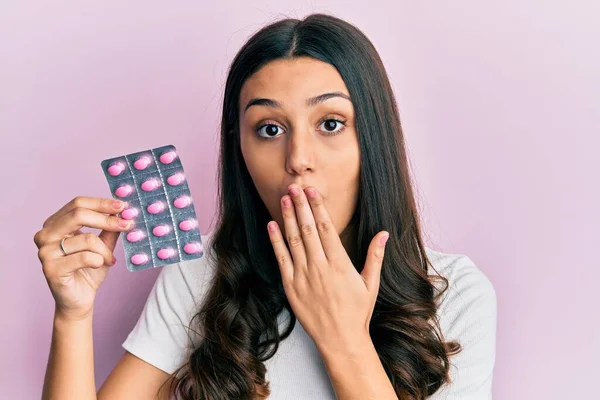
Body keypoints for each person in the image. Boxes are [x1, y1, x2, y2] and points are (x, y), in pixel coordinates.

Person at [35, 13, 497, 400]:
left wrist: (343, 338)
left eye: (331, 123)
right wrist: (72, 316)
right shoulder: (204, 276)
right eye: (270, 129)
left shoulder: (455, 295)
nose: (298, 160)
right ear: (242, 152)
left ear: (373, 139)